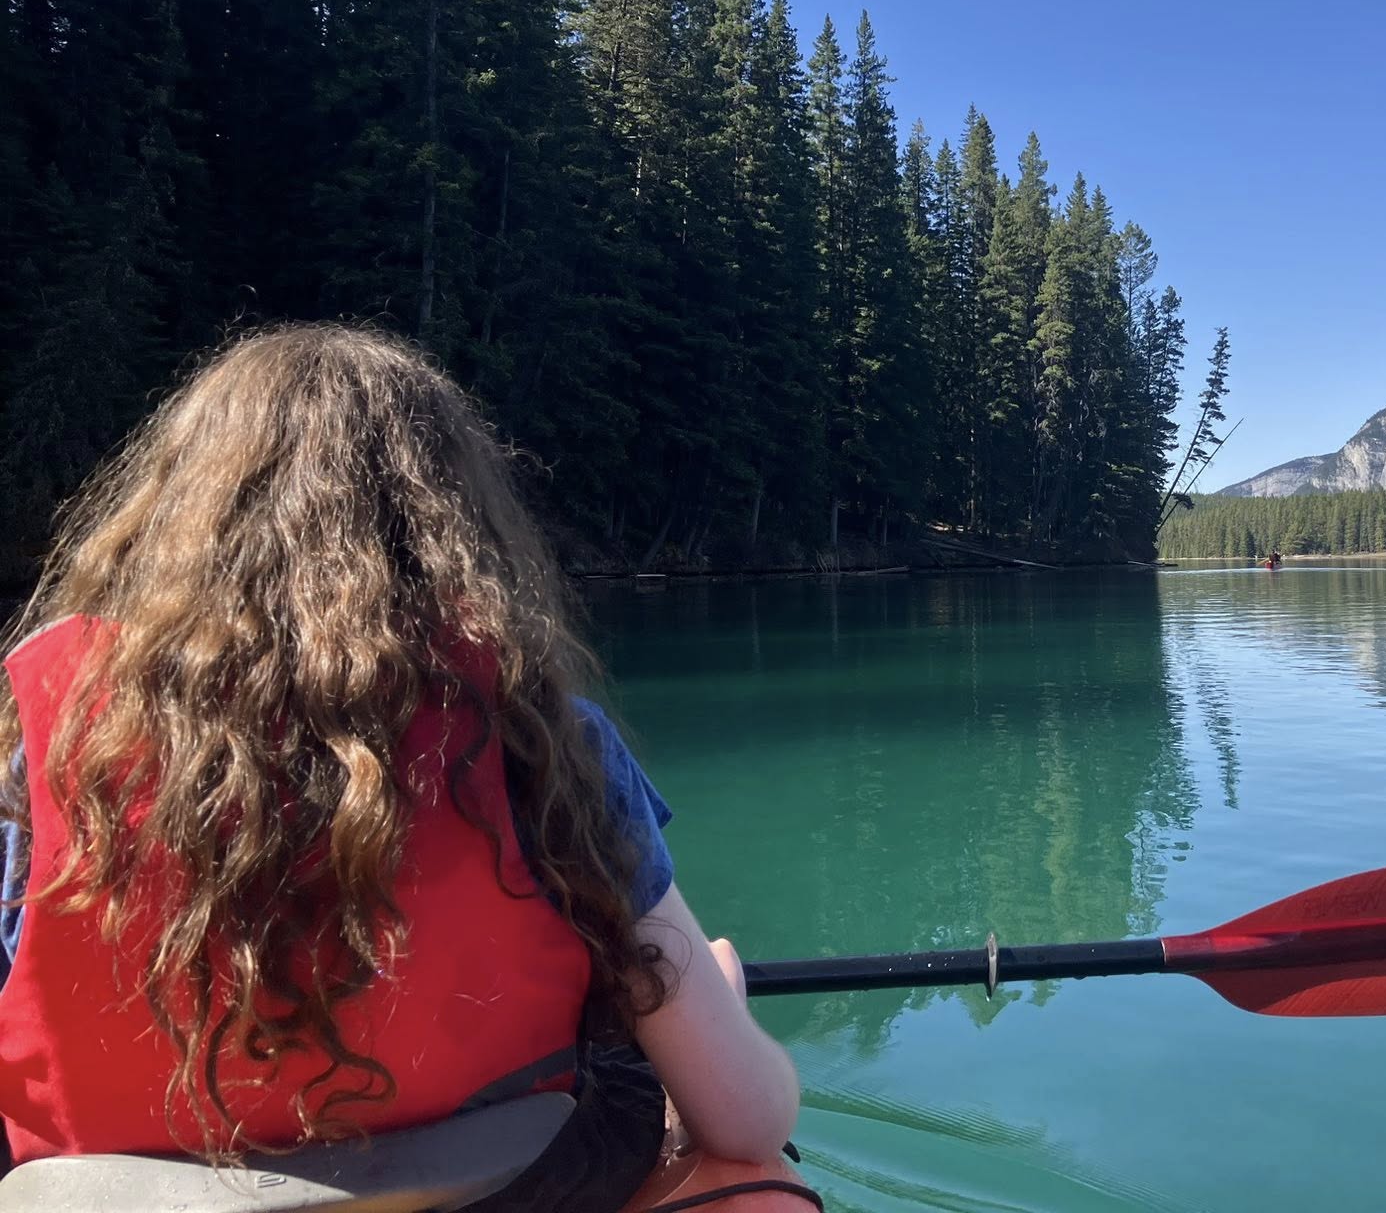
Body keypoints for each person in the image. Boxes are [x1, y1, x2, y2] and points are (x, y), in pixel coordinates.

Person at [0, 325, 799, 1206]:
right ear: (453, 525)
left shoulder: (39, 746)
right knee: (651, 1052)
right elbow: (749, 1122)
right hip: (505, 1189)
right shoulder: (544, 741)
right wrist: (704, 1000)